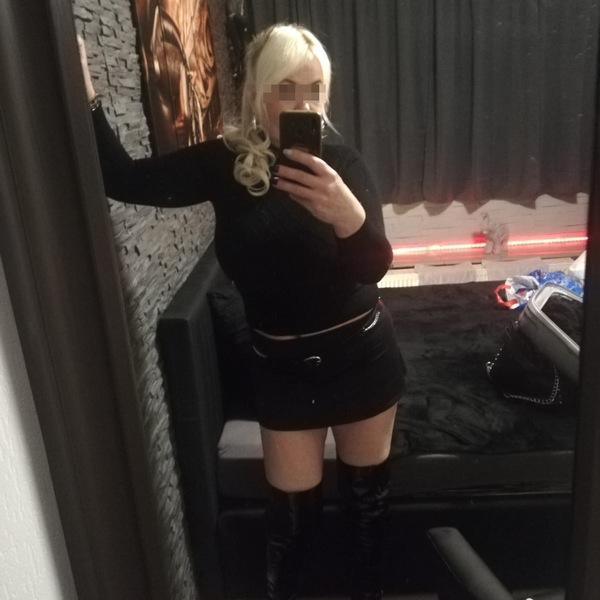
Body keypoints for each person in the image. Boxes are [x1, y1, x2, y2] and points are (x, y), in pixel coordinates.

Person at [78, 23, 406, 600]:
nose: (302, 105)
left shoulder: (342, 167)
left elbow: (373, 268)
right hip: (281, 372)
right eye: (286, 89)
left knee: (367, 511)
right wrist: (85, 93)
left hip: (363, 358)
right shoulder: (226, 164)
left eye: (313, 90)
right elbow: (124, 179)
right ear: (258, 92)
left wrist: (347, 214)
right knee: (290, 527)